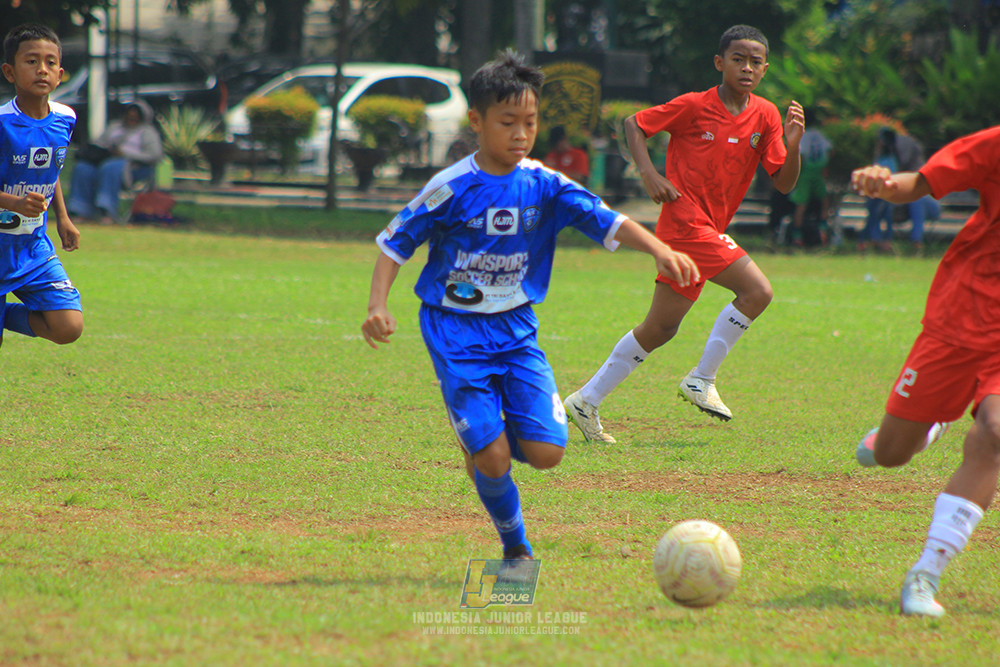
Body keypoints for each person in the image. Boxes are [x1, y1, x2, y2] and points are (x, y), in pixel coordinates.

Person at [360, 50, 699, 563]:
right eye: (508, 122)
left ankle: (482, 441)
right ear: (477, 122)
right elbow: (393, 245)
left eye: (531, 122)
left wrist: (659, 248)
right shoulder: (450, 186)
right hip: (454, 330)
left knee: (547, 454)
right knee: (494, 458)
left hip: (517, 328)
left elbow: (605, 219)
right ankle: (516, 546)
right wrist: (377, 305)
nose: (521, 134)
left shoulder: (544, 184)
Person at [563, 24, 803, 442]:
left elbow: (784, 183)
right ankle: (701, 379)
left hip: (708, 227)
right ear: (720, 63)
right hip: (685, 224)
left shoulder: (765, 115)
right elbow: (634, 123)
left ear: (765, 68)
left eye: (755, 62)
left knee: (660, 328)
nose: (746, 67)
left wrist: (795, 143)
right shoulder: (694, 105)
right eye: (738, 59)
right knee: (757, 292)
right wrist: (649, 173)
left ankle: (585, 400)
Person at [852, 125, 1000, 617]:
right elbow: (918, 183)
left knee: (995, 433)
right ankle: (931, 424)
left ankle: (925, 574)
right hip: (962, 314)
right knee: (891, 454)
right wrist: (882, 183)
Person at [0, 23, 82, 351]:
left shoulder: (65, 119)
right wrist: (14, 203)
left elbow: (51, 168)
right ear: (10, 71)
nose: (42, 69)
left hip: (31, 247)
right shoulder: (3, 123)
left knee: (67, 326)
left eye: (50, 63)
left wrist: (63, 217)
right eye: (31, 61)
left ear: (60, 74)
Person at [66, 100, 162, 225]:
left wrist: (126, 154)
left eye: (135, 117)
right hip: (104, 162)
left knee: (111, 167)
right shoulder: (115, 127)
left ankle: (106, 210)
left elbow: (155, 155)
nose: (131, 119)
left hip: (132, 168)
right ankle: (79, 209)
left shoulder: (148, 132)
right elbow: (100, 142)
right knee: (83, 168)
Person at [787, 107, 832, 246]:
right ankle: (823, 226)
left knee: (801, 204)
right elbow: (830, 150)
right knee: (824, 200)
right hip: (818, 170)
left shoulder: (803, 135)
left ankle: (797, 234)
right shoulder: (819, 134)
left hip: (806, 172)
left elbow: (802, 155)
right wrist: (824, 164)